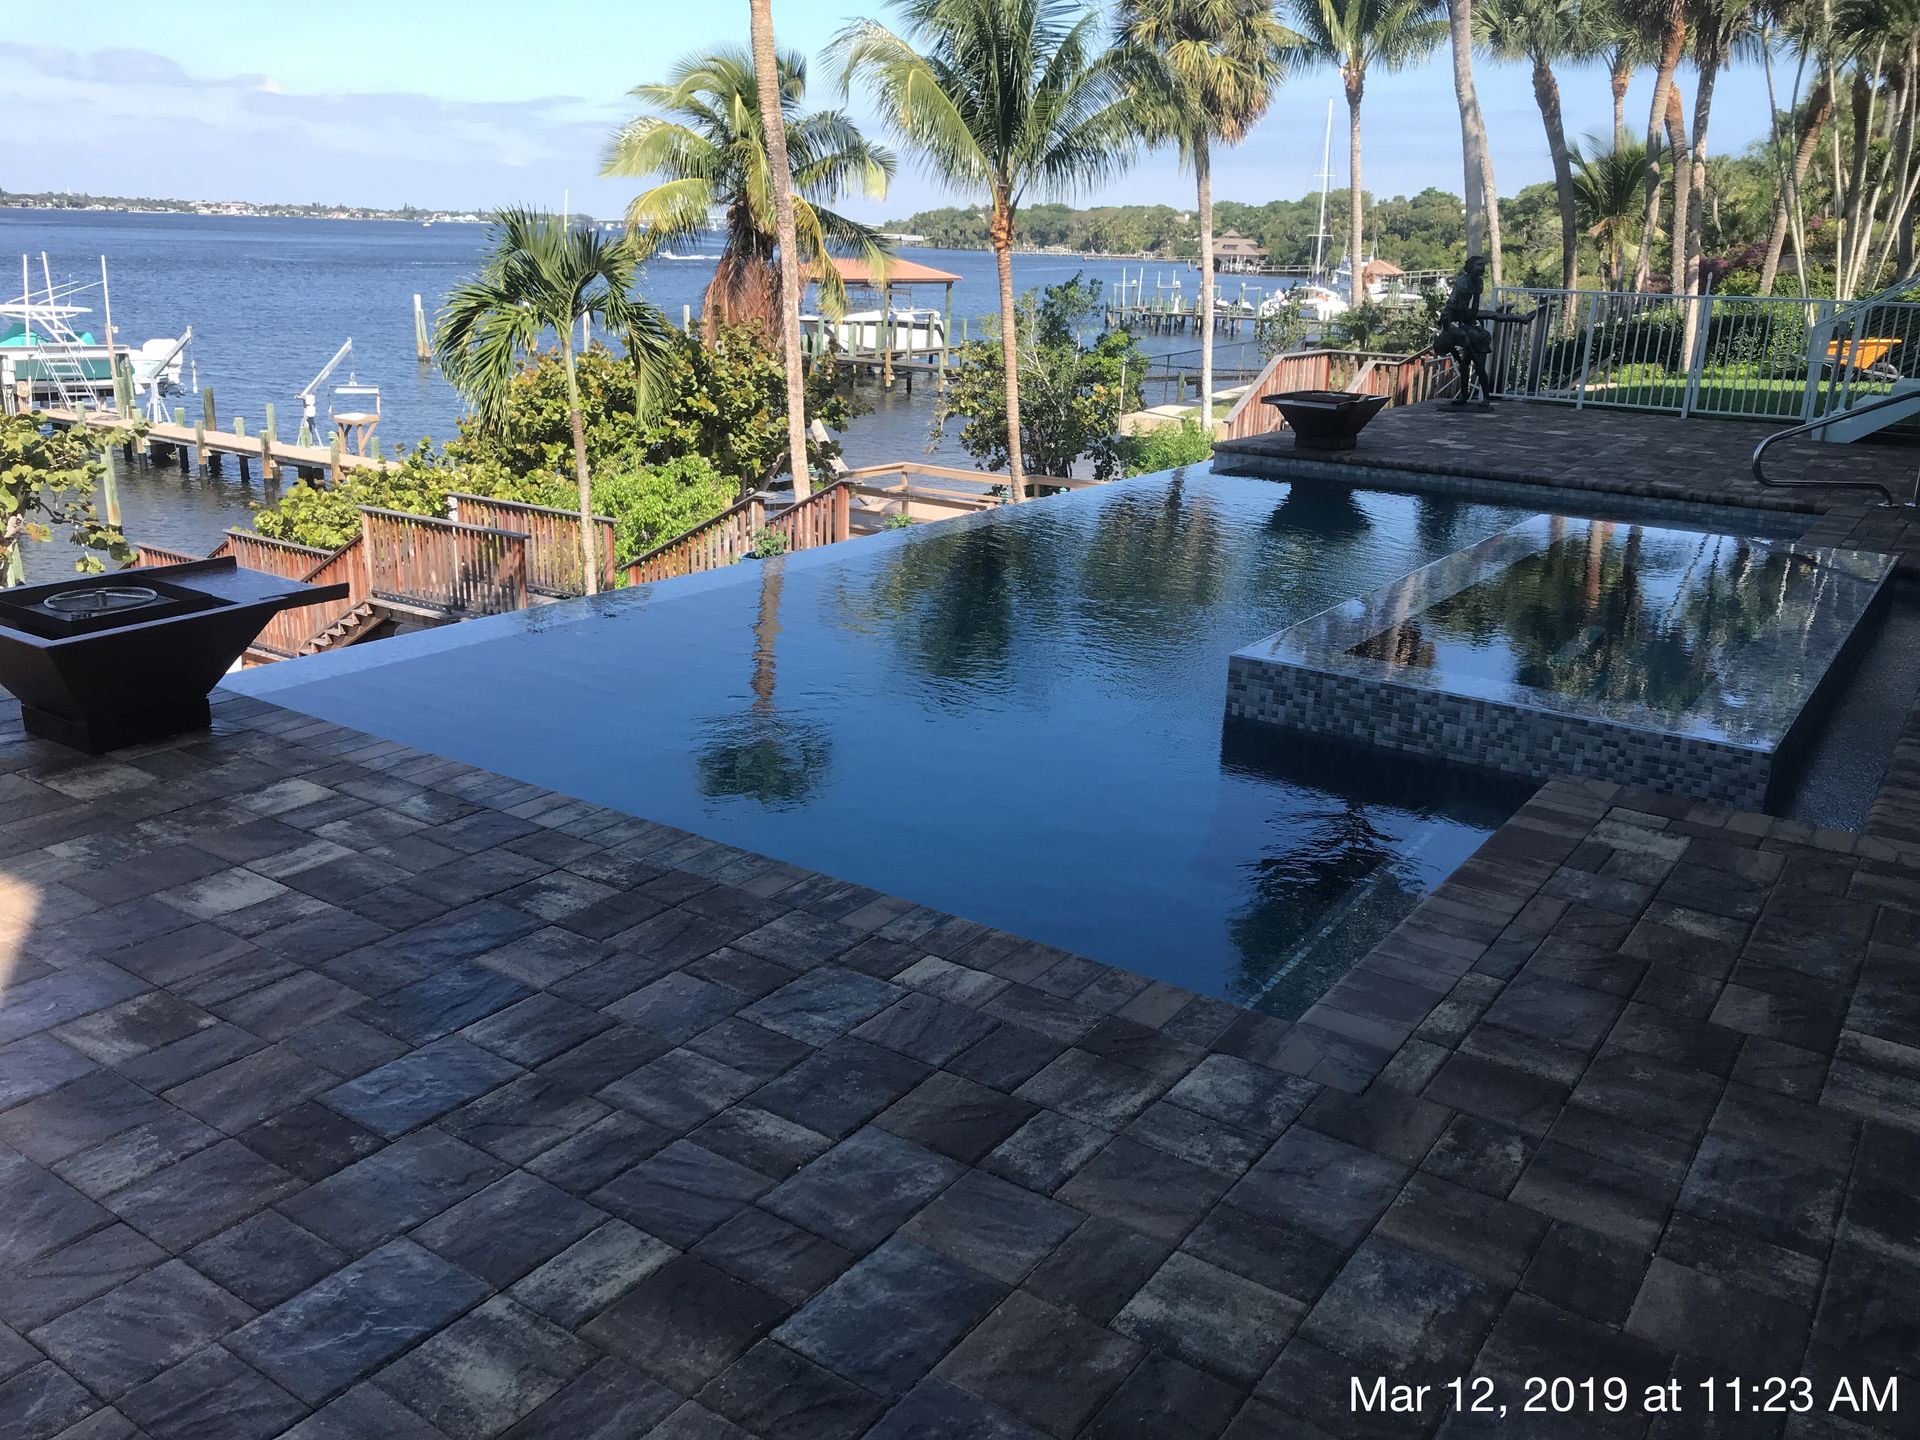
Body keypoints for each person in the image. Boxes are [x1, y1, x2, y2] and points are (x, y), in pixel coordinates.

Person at [1435, 255, 1515, 410]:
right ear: (1470, 267)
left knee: (1479, 367)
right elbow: (1454, 303)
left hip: (1474, 334)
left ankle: (1485, 397)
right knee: (1465, 366)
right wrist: (1455, 320)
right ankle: (1464, 396)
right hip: (1457, 314)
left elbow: (1476, 302)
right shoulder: (1462, 282)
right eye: (1479, 265)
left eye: (1483, 265)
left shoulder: (1478, 282)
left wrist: (1470, 320)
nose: (1482, 268)